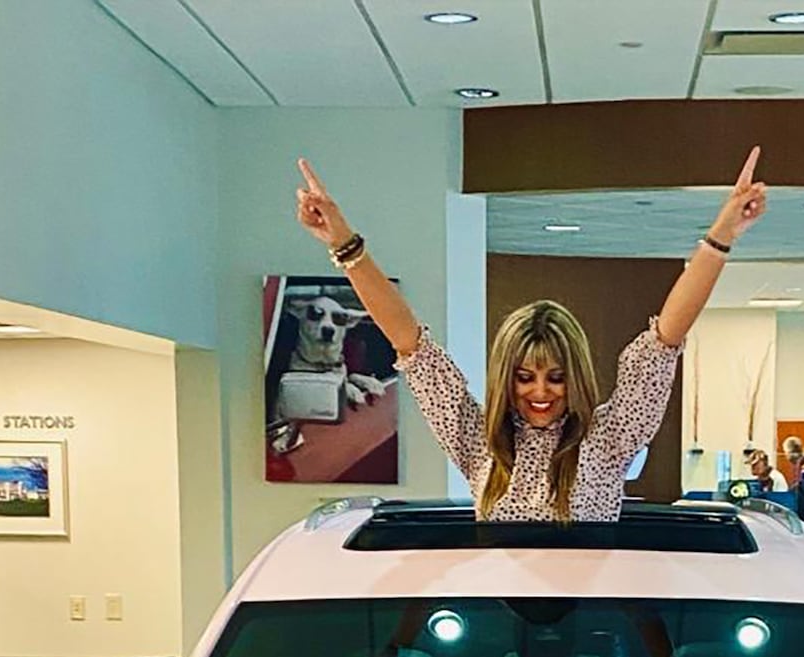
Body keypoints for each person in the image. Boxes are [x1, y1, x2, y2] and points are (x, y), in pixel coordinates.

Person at [295, 151, 767, 521]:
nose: (539, 392)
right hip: (498, 629)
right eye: (525, 377)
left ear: (575, 377)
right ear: (507, 377)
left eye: (555, 377)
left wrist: (722, 236)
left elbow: (665, 338)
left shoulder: (610, 437)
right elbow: (409, 344)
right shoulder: (479, 441)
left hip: (594, 627)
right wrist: (343, 244)